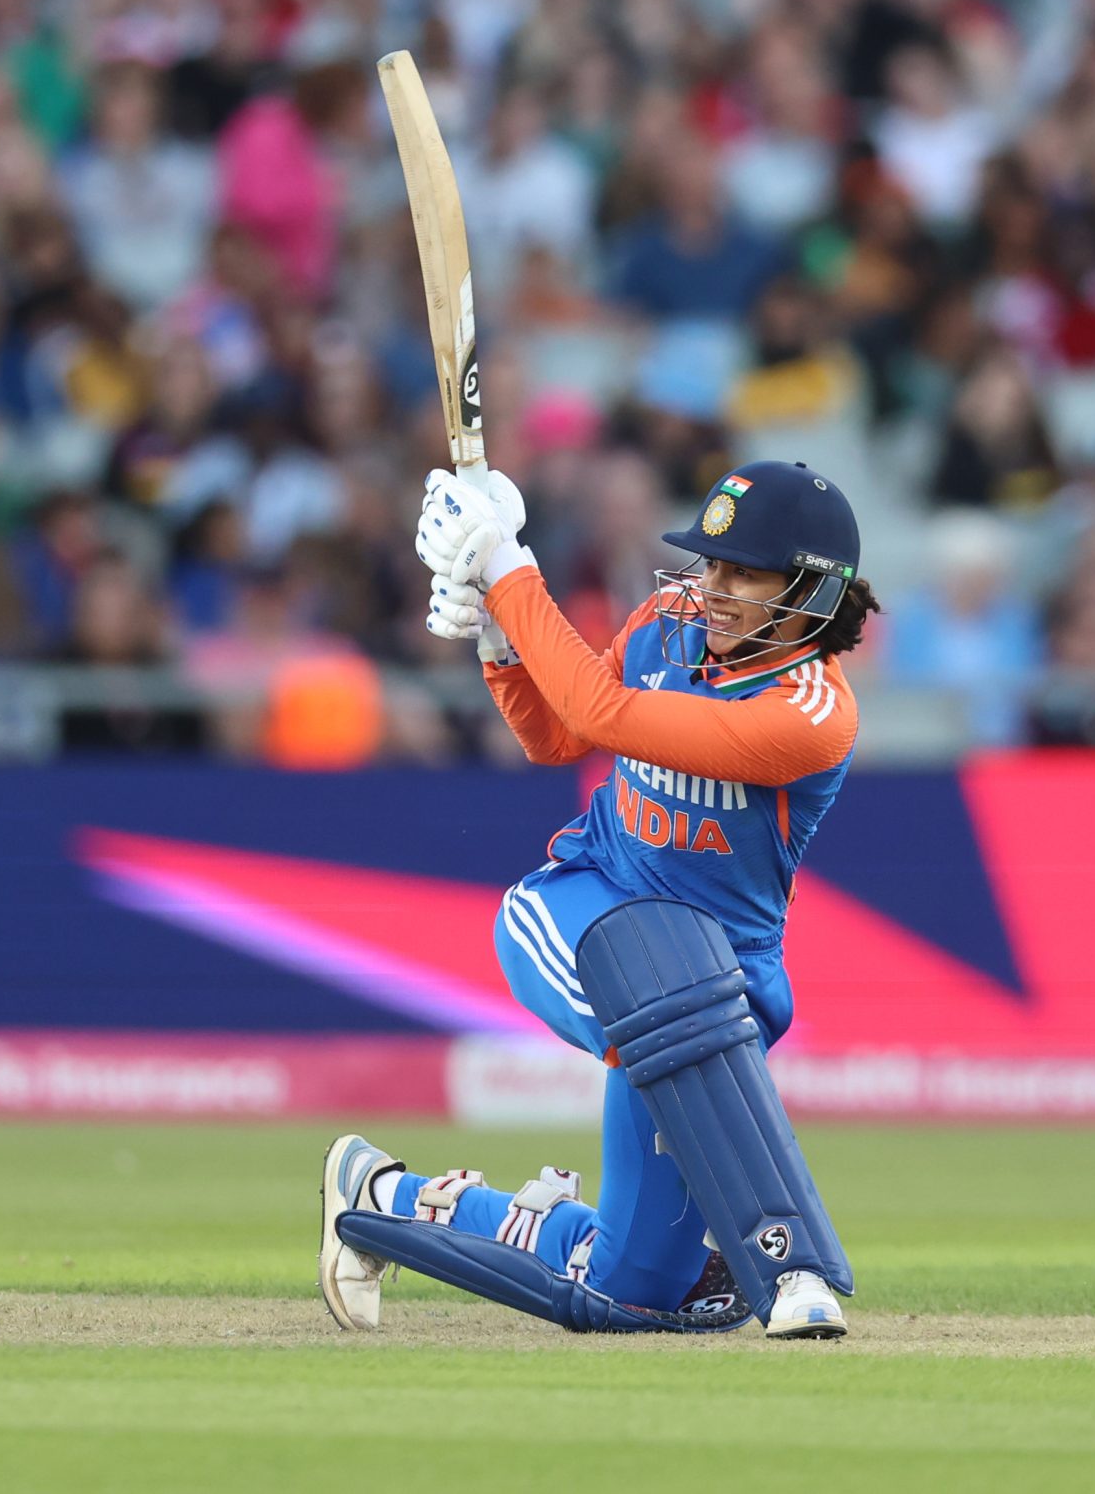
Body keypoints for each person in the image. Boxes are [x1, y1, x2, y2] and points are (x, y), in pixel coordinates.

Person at [317, 459, 880, 1340]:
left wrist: (508, 571)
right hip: (580, 910)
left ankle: (389, 1195)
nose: (714, 589)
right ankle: (795, 1266)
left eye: (744, 574)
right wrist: (499, 634)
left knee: (639, 1288)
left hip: (725, 982)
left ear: (811, 591)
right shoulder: (666, 624)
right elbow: (556, 735)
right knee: (666, 1000)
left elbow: (599, 712)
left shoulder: (810, 715)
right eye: (711, 564)